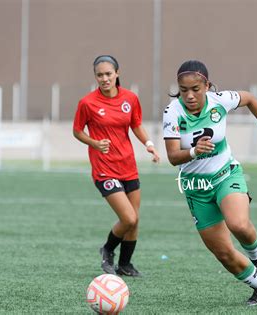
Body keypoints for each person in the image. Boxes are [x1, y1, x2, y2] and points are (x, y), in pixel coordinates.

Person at [163, 60, 257, 306]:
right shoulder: (172, 112)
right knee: (223, 253)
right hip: (196, 189)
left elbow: (250, 99)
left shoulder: (221, 100)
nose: (189, 95)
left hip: (225, 174)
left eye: (195, 89)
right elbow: (172, 156)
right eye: (183, 89)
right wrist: (193, 152)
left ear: (207, 86)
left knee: (238, 224)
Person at [73, 55, 160, 277]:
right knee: (128, 218)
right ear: (95, 77)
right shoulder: (87, 103)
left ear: (117, 73)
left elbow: (136, 124)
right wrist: (93, 142)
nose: (104, 78)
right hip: (104, 168)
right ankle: (107, 249)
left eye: (108, 74)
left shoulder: (130, 98)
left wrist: (149, 144)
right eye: (100, 75)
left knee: (135, 219)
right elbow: (77, 130)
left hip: (128, 165)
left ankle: (125, 265)